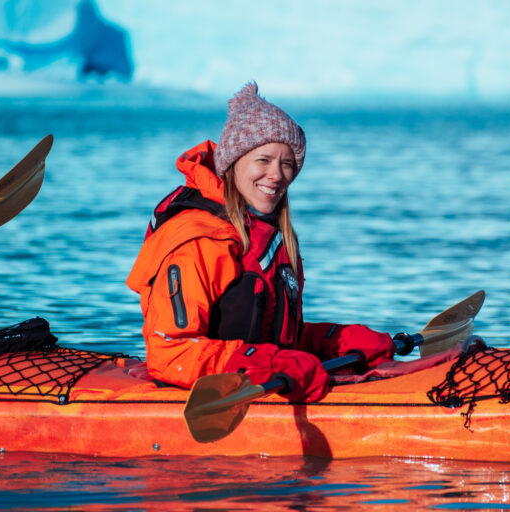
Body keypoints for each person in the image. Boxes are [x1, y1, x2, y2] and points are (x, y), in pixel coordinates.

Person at [127, 82, 394, 402]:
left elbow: (276, 339)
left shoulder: (274, 237)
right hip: (200, 392)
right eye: (263, 160)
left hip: (260, 381)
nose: (277, 175)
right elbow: (170, 354)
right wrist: (262, 363)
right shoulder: (198, 241)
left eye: (287, 163)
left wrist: (333, 340)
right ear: (233, 163)